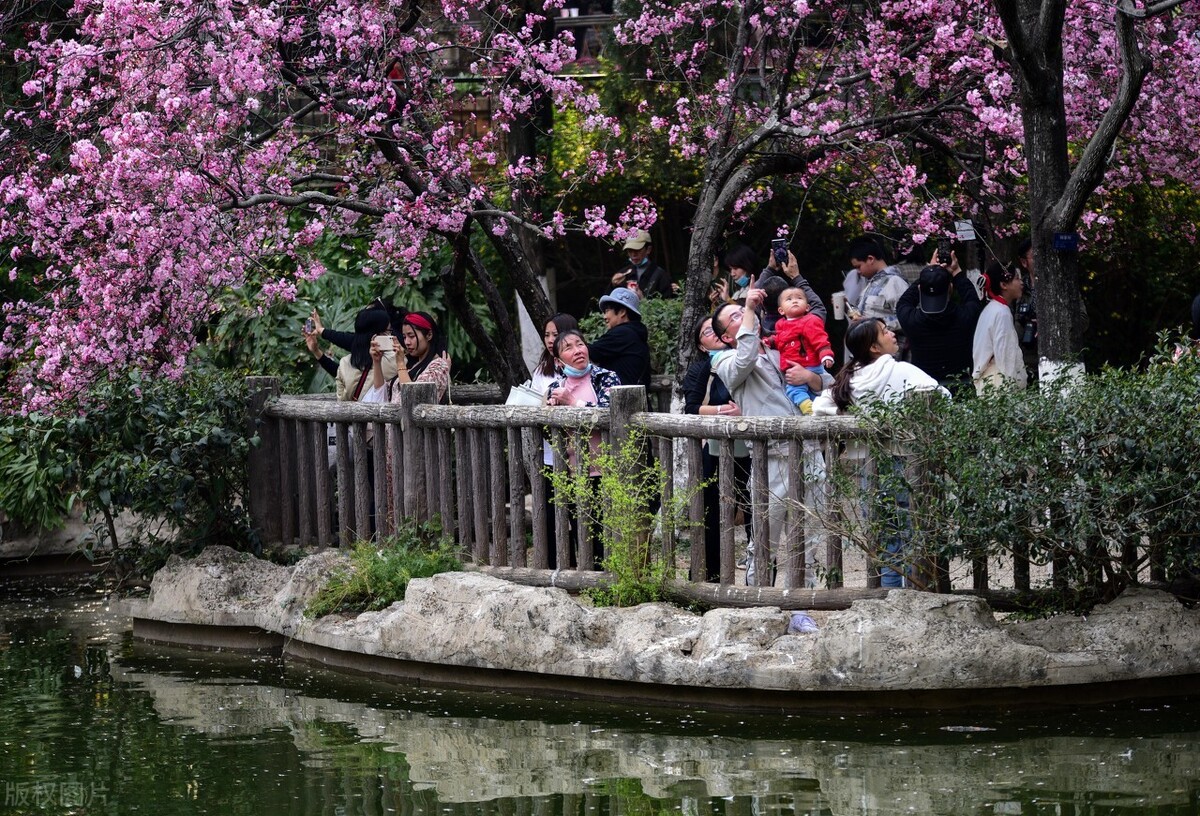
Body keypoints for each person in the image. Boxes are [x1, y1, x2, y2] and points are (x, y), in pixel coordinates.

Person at [812, 318, 949, 587]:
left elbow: (819, 408)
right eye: (885, 332)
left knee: (886, 540)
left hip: (868, 468)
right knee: (913, 534)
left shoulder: (849, 380)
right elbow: (942, 397)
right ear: (875, 346)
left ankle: (887, 599)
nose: (892, 334)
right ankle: (915, 594)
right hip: (906, 462)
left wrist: (854, 417)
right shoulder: (902, 372)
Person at [711, 284, 824, 586]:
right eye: (735, 316)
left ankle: (800, 609)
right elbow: (745, 357)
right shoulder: (724, 362)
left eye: (744, 311)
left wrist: (810, 377)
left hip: (810, 453)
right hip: (770, 460)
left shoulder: (780, 349)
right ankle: (757, 610)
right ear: (725, 337)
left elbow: (824, 382)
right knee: (763, 540)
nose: (745, 315)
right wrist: (748, 308)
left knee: (809, 537)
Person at [681, 316, 751, 582]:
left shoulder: (747, 361)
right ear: (701, 344)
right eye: (707, 332)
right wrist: (724, 411)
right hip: (714, 449)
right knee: (712, 512)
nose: (715, 333)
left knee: (754, 510)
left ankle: (757, 580)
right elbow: (691, 408)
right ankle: (708, 575)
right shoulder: (702, 369)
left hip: (752, 448)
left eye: (717, 328)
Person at [546, 329, 621, 568]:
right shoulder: (556, 388)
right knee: (581, 528)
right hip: (572, 471)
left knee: (605, 531)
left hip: (605, 469)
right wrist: (550, 411)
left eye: (580, 344)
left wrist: (573, 403)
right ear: (558, 360)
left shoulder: (606, 377)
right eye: (568, 347)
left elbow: (610, 415)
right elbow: (549, 432)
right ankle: (587, 578)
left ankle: (607, 581)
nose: (577, 350)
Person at [532, 313, 579, 568]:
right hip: (550, 453)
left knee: (579, 512)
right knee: (552, 513)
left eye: (555, 334)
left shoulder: (583, 370)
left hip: (579, 454)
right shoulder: (542, 369)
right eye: (547, 335)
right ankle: (558, 567)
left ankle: (589, 569)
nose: (550, 340)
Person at [896, 260, 984, 395]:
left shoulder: (911, 320)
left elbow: (904, 302)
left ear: (920, 289)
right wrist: (957, 272)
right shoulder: (965, 316)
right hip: (961, 390)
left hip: (925, 392)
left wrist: (928, 272)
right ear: (950, 288)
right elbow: (972, 299)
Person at [304, 306, 398, 401]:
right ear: (375, 336)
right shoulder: (396, 361)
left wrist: (322, 333)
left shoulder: (346, 364)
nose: (390, 336)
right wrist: (316, 349)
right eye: (388, 331)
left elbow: (345, 374)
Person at [766, 287, 835, 414]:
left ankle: (809, 410)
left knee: (794, 390)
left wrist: (826, 355)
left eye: (799, 298)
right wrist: (770, 341)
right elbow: (781, 340)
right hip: (793, 366)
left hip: (810, 364)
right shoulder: (780, 324)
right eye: (789, 299)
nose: (795, 301)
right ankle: (820, 409)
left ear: (807, 307)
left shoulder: (810, 320)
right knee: (810, 392)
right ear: (781, 310)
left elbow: (819, 338)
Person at [365, 310, 450, 403]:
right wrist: (377, 362)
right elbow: (381, 393)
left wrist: (400, 363)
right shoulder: (412, 368)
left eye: (411, 336)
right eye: (404, 337)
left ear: (429, 335)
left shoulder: (439, 367)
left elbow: (414, 401)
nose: (407, 342)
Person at [844, 237, 908, 356]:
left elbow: (908, 319)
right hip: (870, 355)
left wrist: (874, 324)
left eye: (858, 266)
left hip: (891, 356)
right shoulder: (871, 283)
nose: (858, 272)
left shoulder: (895, 281)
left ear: (870, 259)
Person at [972, 262, 1028, 394]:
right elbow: (1005, 355)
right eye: (1016, 278)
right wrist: (1012, 386)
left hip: (988, 379)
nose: (1021, 283)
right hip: (998, 381)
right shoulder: (1001, 312)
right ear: (1003, 285)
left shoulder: (992, 309)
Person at [589, 287, 651, 388]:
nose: (604, 317)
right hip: (636, 399)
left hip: (624, 401)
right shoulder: (635, 333)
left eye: (607, 311)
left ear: (622, 312)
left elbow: (592, 352)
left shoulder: (622, 333)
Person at [612, 229, 674, 299]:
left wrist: (643, 301)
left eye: (637, 250)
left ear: (648, 249)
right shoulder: (623, 274)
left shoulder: (660, 276)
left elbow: (668, 305)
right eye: (630, 250)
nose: (633, 254)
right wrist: (613, 285)